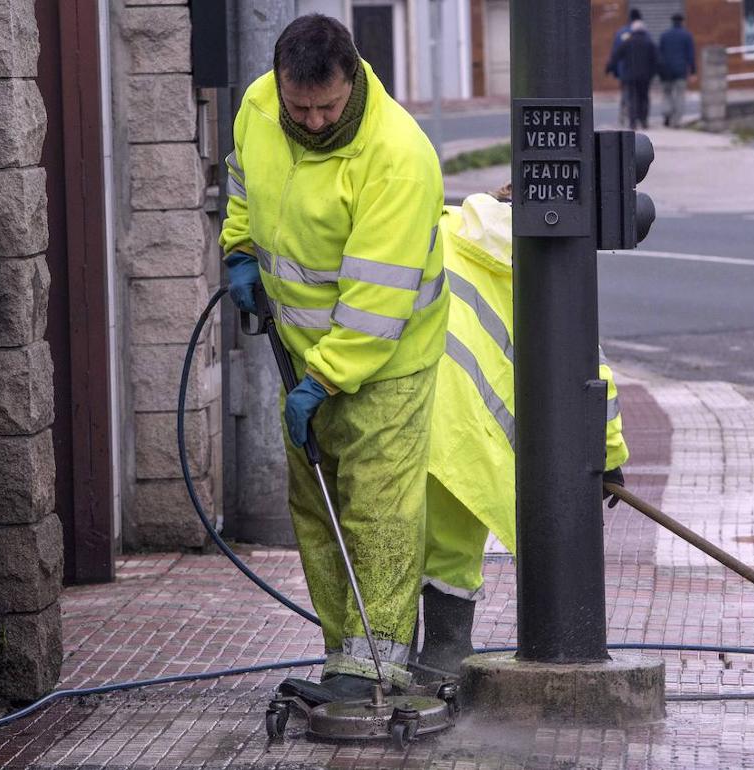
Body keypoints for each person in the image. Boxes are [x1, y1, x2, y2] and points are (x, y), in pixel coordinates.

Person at [220, 14, 450, 699]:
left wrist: (322, 380)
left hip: (387, 363)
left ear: (353, 78)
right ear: (280, 84)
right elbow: (244, 182)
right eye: (301, 107)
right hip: (303, 353)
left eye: (327, 107)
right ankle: (341, 653)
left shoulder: (397, 157)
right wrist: (238, 251)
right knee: (316, 509)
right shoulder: (260, 106)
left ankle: (375, 662)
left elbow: (376, 305)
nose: (314, 121)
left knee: (377, 511)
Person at [414, 188, 630, 678]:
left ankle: (388, 659)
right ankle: (444, 658)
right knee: (451, 549)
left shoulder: (442, 227)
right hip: (468, 437)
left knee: (394, 534)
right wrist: (608, 456)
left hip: (401, 408)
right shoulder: (548, 265)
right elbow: (589, 377)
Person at [606, 19, 658, 130]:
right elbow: (655, 60)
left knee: (632, 98)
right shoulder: (649, 42)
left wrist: (609, 68)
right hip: (645, 76)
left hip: (630, 76)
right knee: (644, 98)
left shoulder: (628, 42)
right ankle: (644, 121)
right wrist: (653, 73)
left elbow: (616, 56)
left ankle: (633, 122)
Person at [659, 13, 697, 128]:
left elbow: (659, 54)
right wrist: (693, 71)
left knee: (667, 93)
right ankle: (676, 121)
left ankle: (667, 114)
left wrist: (659, 70)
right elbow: (690, 55)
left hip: (666, 71)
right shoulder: (687, 36)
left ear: (672, 22)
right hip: (680, 70)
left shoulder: (664, 36)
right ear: (682, 22)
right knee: (680, 95)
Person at [608, 8, 644, 127]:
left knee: (626, 94)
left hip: (624, 70)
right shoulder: (642, 33)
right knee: (639, 95)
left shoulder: (621, 32)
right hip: (640, 71)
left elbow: (615, 52)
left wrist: (614, 70)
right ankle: (637, 118)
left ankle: (623, 117)